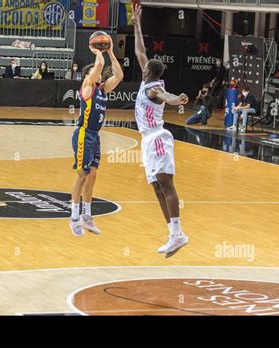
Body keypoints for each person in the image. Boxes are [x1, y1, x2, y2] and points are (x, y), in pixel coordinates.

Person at [132, 4, 189, 257]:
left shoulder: (154, 88)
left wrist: (179, 100)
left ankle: (178, 233)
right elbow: (139, 49)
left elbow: (167, 96)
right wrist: (137, 24)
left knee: (166, 185)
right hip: (147, 141)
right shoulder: (148, 78)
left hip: (157, 137)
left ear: (148, 72)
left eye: (144, 66)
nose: (141, 65)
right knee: (156, 187)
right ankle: (173, 234)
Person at [69, 36, 124, 236]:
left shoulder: (102, 90)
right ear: (90, 75)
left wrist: (111, 52)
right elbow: (99, 65)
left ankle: (87, 216)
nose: (100, 74)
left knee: (92, 175)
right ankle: (74, 217)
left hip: (95, 135)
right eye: (96, 73)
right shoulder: (87, 86)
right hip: (83, 134)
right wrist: (97, 49)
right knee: (82, 175)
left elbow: (118, 75)